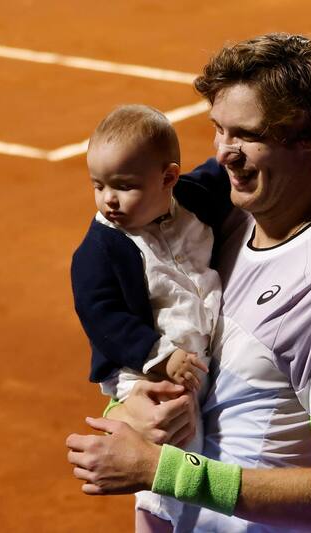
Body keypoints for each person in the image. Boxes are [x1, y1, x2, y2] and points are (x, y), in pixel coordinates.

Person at [67, 33, 311, 532]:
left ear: (306, 135)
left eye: (247, 135)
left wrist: (162, 469)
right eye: (218, 129)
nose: (224, 153)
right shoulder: (218, 223)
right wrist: (135, 406)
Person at [70, 104, 220, 531]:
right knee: (168, 450)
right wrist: (159, 356)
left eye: (124, 186)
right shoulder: (101, 248)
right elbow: (101, 315)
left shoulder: (193, 197)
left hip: (198, 356)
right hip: (149, 370)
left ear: (169, 178)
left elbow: (221, 172)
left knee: (209, 449)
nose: (108, 200)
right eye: (98, 185)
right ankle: (152, 524)